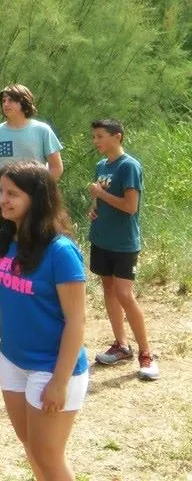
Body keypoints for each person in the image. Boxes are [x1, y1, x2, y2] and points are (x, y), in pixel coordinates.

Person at [0, 162, 88, 481]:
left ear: (36, 198)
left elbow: (77, 321)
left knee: (48, 455)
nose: (4, 200)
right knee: (31, 448)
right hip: (12, 362)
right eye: (2, 192)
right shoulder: (3, 237)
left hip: (50, 367)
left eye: (13, 193)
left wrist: (59, 380)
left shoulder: (61, 251)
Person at [88, 119, 160, 380]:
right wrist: (94, 207)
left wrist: (100, 194)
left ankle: (146, 354)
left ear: (117, 136)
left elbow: (130, 206)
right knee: (108, 290)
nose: (96, 141)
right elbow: (100, 198)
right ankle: (121, 345)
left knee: (124, 295)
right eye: (93, 137)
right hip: (101, 240)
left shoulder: (129, 166)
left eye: (100, 136)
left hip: (123, 244)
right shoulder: (101, 166)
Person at [0, 84, 63, 240]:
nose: (6, 104)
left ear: (24, 103)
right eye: (4, 100)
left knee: (32, 250)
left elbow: (56, 167)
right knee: (0, 253)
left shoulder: (42, 130)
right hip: (1, 201)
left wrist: (39, 194)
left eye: (11, 100)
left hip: (33, 202)